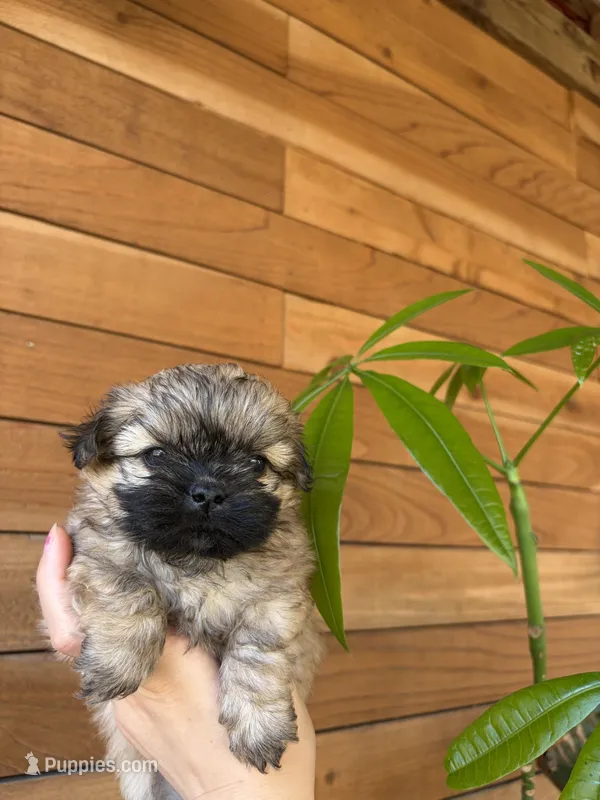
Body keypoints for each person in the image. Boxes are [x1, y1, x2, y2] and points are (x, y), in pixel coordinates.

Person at [37, 524, 317, 800]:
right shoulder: (109, 533)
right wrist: (127, 616)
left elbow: (279, 602)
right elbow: (96, 564)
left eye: (256, 473)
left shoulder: (276, 557)